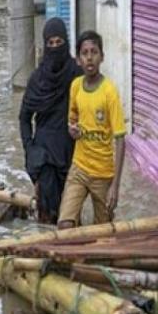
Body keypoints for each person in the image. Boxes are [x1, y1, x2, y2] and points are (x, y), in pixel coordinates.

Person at [57, 30, 126, 230]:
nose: (89, 57)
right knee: (65, 224)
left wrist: (116, 186)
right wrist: (72, 130)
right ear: (78, 59)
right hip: (79, 168)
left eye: (94, 52)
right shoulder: (76, 86)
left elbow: (120, 139)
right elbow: (72, 121)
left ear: (101, 57)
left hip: (103, 174)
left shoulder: (109, 92)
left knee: (102, 233)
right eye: (85, 53)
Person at [19, 18, 82, 224]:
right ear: (45, 45)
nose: (55, 47)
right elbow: (25, 117)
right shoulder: (37, 79)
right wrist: (30, 148)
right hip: (44, 154)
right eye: (50, 43)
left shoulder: (77, 75)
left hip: (71, 152)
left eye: (59, 42)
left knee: (70, 215)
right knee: (47, 217)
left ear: (66, 42)